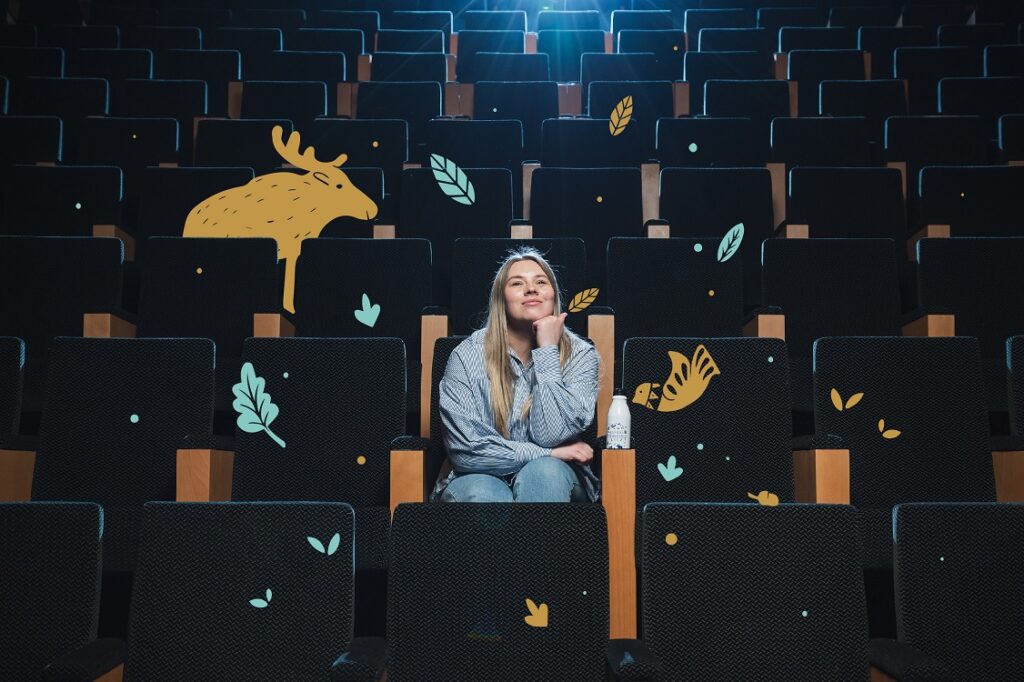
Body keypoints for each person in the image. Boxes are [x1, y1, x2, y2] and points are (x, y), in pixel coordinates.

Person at [432, 247, 601, 503]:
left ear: (553, 295)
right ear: (501, 299)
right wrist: (549, 453)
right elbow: (468, 451)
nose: (531, 289)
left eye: (541, 282)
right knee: (484, 491)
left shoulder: (581, 356)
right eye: (517, 283)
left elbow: (551, 434)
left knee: (544, 474)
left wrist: (547, 351)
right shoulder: (465, 356)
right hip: (478, 476)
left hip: (556, 477)